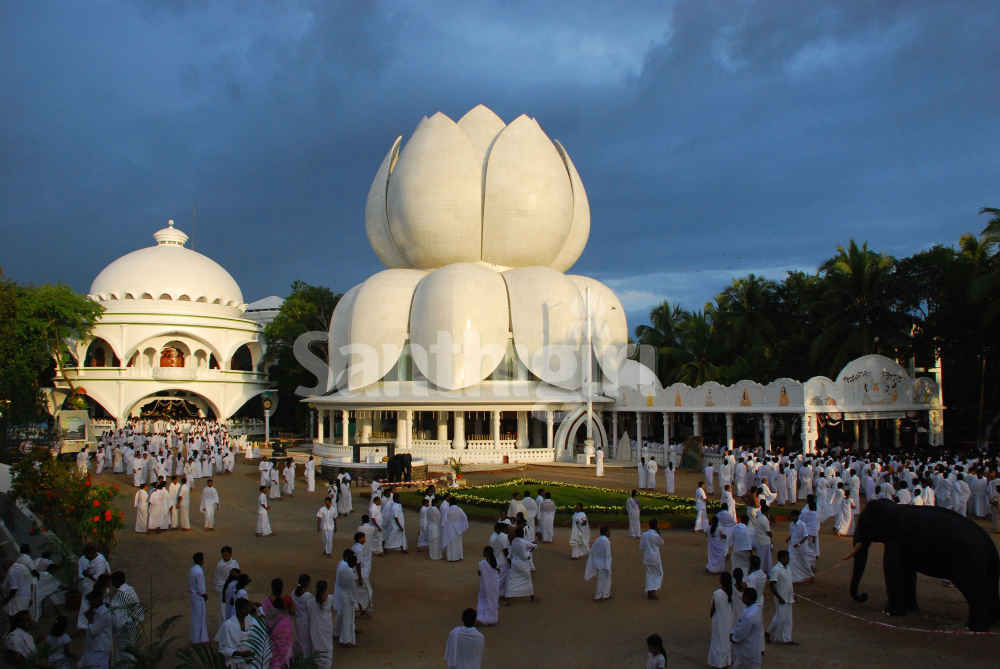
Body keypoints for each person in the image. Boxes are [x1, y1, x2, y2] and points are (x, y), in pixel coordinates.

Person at [216, 598, 265, 669]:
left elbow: (260, 638)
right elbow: (223, 648)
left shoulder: (252, 620)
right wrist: (240, 654)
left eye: (248, 607)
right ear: (239, 610)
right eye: (246, 608)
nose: (249, 610)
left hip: (251, 660)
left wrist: (252, 654)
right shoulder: (227, 625)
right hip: (234, 662)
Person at [110, 571, 143, 658]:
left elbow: (123, 612)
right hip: (132, 625)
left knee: (126, 653)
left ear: (117, 581)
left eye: (112, 581)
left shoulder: (122, 593)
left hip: (126, 628)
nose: (112, 584)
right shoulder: (129, 589)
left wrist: (118, 628)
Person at [767, 550, 796, 645]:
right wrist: (779, 597)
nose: (788, 559)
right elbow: (772, 585)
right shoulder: (776, 569)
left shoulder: (788, 568)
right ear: (781, 558)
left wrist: (793, 594)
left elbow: (789, 583)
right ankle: (779, 637)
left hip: (788, 596)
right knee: (782, 618)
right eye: (787, 557)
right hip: (781, 597)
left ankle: (786, 638)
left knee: (787, 618)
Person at [80, 589, 114, 669]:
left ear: (98, 599)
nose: (90, 603)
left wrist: (89, 618)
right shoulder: (98, 612)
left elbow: (93, 631)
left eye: (91, 601)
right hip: (95, 648)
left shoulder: (103, 613)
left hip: (100, 649)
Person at [730, 588, 763, 669]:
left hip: (747, 650)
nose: (742, 597)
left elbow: (741, 632)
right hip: (754, 648)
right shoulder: (756, 609)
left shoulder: (749, 616)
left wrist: (733, 637)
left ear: (748, 598)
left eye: (744, 596)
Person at [708, 572, 733, 668]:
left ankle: (718, 663)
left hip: (718, 620)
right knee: (726, 641)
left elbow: (712, 610)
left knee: (717, 641)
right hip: (728, 620)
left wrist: (711, 615)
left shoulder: (717, 593)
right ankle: (726, 661)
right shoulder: (730, 592)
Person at [333, 550, 357, 646]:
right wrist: (355, 600)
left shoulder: (342, 565)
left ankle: (337, 632)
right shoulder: (349, 572)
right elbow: (352, 588)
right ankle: (346, 640)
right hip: (347, 597)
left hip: (341, 593)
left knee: (341, 614)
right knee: (348, 618)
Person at [506, 526, 536, 602]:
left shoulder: (513, 541)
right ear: (523, 534)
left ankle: (508, 598)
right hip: (523, 564)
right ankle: (531, 596)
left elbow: (510, 554)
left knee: (512, 581)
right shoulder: (524, 542)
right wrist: (529, 552)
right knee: (527, 580)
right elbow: (533, 547)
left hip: (514, 563)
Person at [308, 581, 333, 669]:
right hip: (326, 629)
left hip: (315, 629)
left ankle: (317, 663)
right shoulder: (330, 599)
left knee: (316, 645)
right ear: (326, 590)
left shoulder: (310, 602)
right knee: (327, 648)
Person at [584, 526, 613, 601]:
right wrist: (608, 566)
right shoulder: (606, 541)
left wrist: (594, 561)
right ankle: (604, 595)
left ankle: (600, 595)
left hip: (598, 563)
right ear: (606, 532)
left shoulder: (597, 539)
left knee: (601, 580)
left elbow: (592, 551)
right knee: (606, 580)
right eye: (609, 531)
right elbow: (607, 554)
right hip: (604, 564)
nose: (610, 533)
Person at [640, 519, 664, 599]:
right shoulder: (655, 535)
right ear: (656, 525)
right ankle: (653, 590)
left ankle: (650, 590)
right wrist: (658, 533)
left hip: (647, 557)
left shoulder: (644, 534)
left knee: (649, 574)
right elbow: (661, 543)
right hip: (655, 558)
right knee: (658, 573)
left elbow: (641, 547)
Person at [214, 547, 240, 622]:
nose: (225, 556)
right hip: (223, 591)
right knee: (223, 611)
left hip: (233, 590)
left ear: (230, 554)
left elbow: (238, 576)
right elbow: (217, 579)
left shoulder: (235, 563)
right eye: (223, 555)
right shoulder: (219, 565)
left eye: (227, 554)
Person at [787, 510, 814, 583]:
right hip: (792, 546)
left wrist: (798, 544)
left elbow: (805, 536)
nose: (791, 517)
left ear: (796, 516)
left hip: (801, 547)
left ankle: (810, 574)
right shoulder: (791, 524)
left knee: (804, 561)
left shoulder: (802, 525)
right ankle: (794, 577)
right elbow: (792, 534)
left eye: (792, 515)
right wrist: (789, 538)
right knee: (791, 560)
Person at [476, 546, 500, 625]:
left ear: (486, 554)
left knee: (483, 600)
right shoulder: (496, 561)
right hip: (495, 585)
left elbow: (479, 573)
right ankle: (493, 619)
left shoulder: (482, 563)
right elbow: (498, 571)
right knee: (493, 601)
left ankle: (483, 619)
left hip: (485, 586)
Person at [189, 552, 209, 644]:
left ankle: (196, 638)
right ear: (201, 560)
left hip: (193, 596)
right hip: (199, 597)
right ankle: (199, 639)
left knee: (195, 618)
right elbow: (201, 588)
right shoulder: (199, 571)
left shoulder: (192, 569)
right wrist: (205, 595)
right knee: (200, 618)